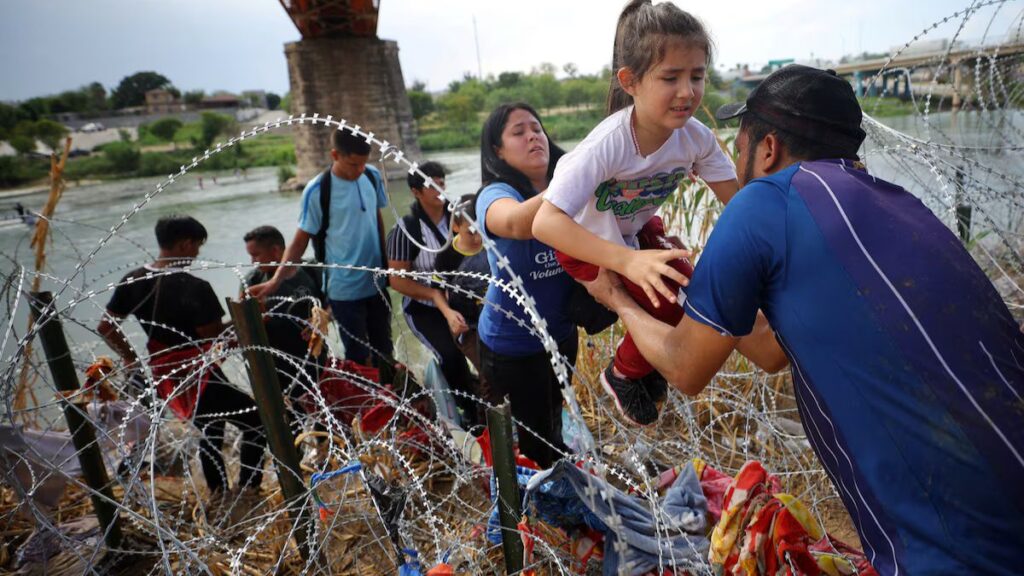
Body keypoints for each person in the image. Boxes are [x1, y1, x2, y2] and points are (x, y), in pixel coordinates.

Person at [584, 64, 1024, 574]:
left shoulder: (763, 202)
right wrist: (697, 284)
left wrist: (618, 298)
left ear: (767, 148)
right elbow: (771, 351)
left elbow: (686, 368)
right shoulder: (900, 202)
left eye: (740, 141)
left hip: (948, 541)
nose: (733, 158)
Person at [532, 0, 738, 427]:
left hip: (636, 231)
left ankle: (643, 365)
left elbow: (738, 202)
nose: (688, 92)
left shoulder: (695, 139)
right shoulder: (608, 144)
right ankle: (623, 374)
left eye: (697, 76)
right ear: (631, 81)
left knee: (688, 290)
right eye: (670, 78)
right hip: (586, 245)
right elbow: (545, 223)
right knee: (666, 297)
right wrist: (627, 261)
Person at [97, 215, 266, 495]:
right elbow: (212, 337)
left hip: (167, 374)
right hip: (199, 373)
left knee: (210, 427)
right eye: (197, 246)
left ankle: (219, 493)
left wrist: (130, 359)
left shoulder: (134, 279)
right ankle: (248, 489)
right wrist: (246, 318)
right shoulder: (195, 288)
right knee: (256, 421)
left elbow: (106, 326)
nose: (198, 253)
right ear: (186, 243)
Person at [475, 103, 578, 468]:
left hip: (562, 333)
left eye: (537, 127)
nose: (533, 135)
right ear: (498, 151)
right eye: (518, 132)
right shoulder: (496, 194)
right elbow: (517, 223)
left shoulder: (566, 184)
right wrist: (577, 180)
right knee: (531, 443)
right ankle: (537, 513)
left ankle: (558, 478)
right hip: (512, 346)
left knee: (553, 418)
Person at [250, 128, 393, 367]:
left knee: (384, 349)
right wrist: (275, 281)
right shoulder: (318, 191)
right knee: (358, 355)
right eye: (352, 164)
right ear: (335, 155)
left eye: (363, 163)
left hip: (377, 282)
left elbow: (376, 218)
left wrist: (388, 265)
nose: (358, 170)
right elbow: (300, 241)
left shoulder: (371, 176)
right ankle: (368, 401)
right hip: (344, 289)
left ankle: (393, 398)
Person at [385, 162, 480, 428]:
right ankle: (469, 412)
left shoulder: (459, 217)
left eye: (441, 179)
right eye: (431, 183)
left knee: (486, 352)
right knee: (450, 355)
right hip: (424, 308)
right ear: (416, 192)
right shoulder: (408, 229)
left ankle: (488, 403)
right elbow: (397, 280)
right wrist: (435, 295)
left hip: (464, 301)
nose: (439, 186)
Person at [242, 225, 323, 430]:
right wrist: (256, 318)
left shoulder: (309, 270)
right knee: (292, 419)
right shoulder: (253, 280)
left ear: (276, 250)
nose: (252, 261)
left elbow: (331, 302)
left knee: (323, 411)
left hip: (312, 356)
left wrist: (320, 319)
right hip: (278, 363)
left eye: (256, 255)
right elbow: (242, 322)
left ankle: (326, 453)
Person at [434, 194, 491, 382]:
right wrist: (448, 313)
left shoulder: (493, 245)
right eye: (471, 232)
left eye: (480, 229)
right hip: (469, 327)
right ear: (456, 227)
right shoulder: (447, 256)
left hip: (497, 318)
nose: (477, 238)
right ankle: (490, 406)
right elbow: (437, 290)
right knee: (487, 374)